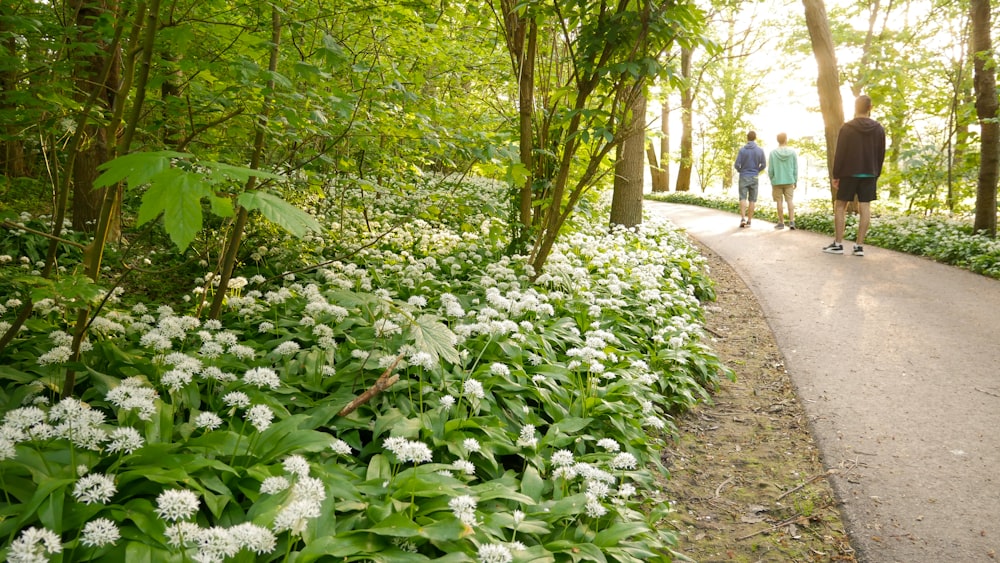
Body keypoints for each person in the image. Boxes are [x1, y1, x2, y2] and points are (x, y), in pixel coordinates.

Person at [823, 95, 886, 256]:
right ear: (870, 108)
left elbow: (840, 153)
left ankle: (838, 244)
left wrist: (836, 174)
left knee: (840, 206)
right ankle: (859, 246)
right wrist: (876, 173)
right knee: (865, 208)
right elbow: (881, 154)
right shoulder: (878, 129)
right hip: (869, 173)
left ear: (855, 107)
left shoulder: (847, 128)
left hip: (848, 172)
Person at [734, 130, 766, 228]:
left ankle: (743, 218)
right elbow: (764, 164)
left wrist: (741, 170)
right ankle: (749, 221)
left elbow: (736, 165)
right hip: (754, 176)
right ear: (755, 138)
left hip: (744, 176)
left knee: (742, 197)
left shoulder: (742, 150)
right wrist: (756, 170)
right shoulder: (760, 150)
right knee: (752, 199)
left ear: (747, 138)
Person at [768, 132, 798, 230]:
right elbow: (795, 168)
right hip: (789, 180)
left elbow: (770, 169)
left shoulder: (773, 153)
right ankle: (792, 221)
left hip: (777, 181)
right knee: (790, 200)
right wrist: (795, 180)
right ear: (786, 139)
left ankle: (781, 222)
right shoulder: (792, 152)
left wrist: (772, 179)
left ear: (778, 140)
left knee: (779, 201)